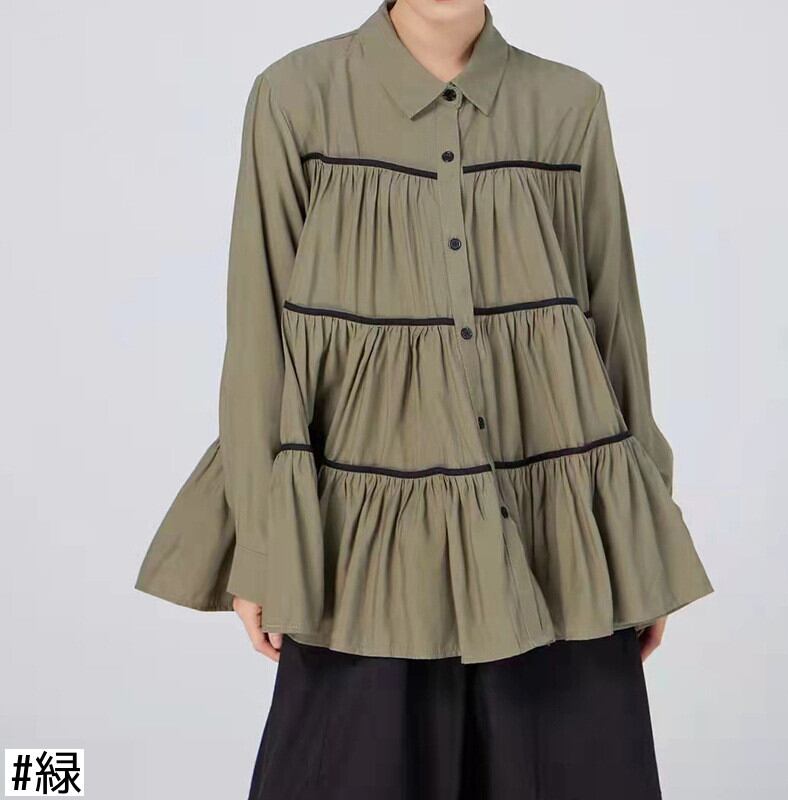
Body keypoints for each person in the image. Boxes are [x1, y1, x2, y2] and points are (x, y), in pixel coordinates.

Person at [135, 1, 714, 796]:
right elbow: (259, 337)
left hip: (553, 537)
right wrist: (263, 544)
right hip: (360, 541)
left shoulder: (569, 105)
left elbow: (612, 326)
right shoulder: (296, 96)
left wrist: (640, 539)